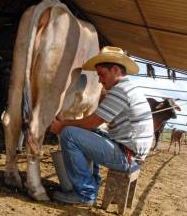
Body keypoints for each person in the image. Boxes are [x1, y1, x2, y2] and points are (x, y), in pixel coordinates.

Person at [49, 46, 154, 206]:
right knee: (90, 131)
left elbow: (92, 122)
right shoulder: (130, 88)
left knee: (69, 134)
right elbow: (93, 125)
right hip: (131, 152)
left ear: (115, 70)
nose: (99, 80)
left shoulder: (121, 91)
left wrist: (62, 125)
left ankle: (85, 194)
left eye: (102, 74)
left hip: (127, 157)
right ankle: (93, 183)